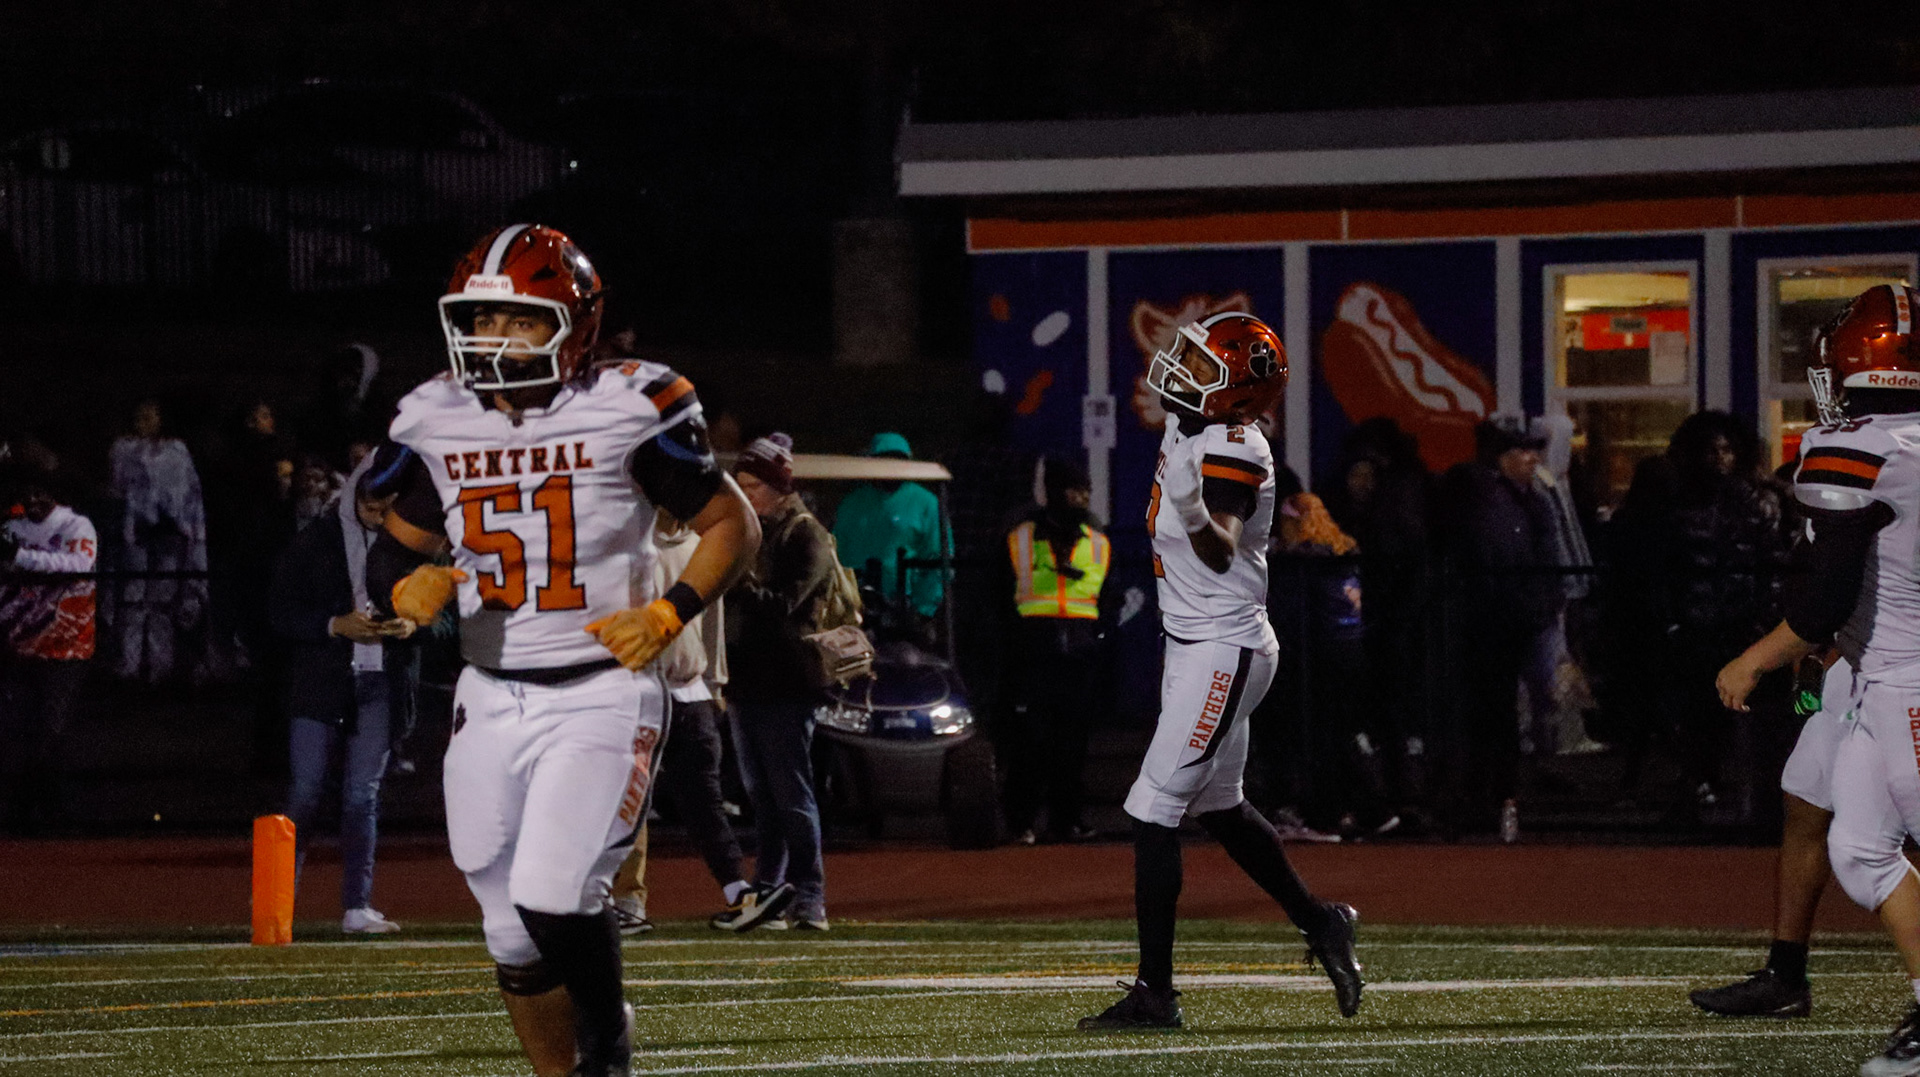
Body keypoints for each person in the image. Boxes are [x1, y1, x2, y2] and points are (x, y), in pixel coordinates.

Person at [363, 223, 760, 1077]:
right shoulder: (439, 416)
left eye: (521, 320)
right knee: (507, 927)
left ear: (573, 325)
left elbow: (734, 523)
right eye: (483, 320)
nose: (496, 340)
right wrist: (403, 587)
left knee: (553, 888)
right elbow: (392, 549)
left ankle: (606, 1049)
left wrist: (669, 611)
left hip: (601, 688)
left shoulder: (628, 405)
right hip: (487, 690)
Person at [1079, 311, 1360, 1031]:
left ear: (1239, 392)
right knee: (1218, 806)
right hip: (1196, 644)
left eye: (1204, 366)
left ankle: (1156, 993)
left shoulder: (1236, 443)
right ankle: (1322, 921)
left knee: (1152, 808)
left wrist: (1190, 509)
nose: (1184, 369)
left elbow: (1219, 549)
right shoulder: (1193, 425)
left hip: (1221, 648)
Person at [1700, 286, 1920, 1067]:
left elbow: (1825, 597)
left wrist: (1752, 658)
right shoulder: (1899, 445)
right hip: (1875, 671)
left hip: (1906, 675)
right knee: (1858, 846)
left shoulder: (1857, 448)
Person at [608, 507, 793, 936]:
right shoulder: (632, 547)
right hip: (639, 692)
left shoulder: (696, 544)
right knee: (629, 801)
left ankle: (738, 892)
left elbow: (711, 617)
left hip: (689, 694)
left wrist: (714, 683)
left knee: (702, 802)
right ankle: (624, 900)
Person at [269, 456, 417, 934]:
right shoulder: (316, 540)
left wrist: (412, 624)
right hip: (321, 682)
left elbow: (445, 612)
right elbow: (278, 613)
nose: (379, 515)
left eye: (388, 506)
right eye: (372, 506)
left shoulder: (408, 543)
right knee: (306, 790)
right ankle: (276, 900)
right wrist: (336, 625)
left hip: (379, 683)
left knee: (361, 796)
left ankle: (357, 905)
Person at [727, 433, 836, 931]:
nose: (744, 494)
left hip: (788, 683)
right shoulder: (752, 533)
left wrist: (733, 580)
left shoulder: (805, 535)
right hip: (747, 679)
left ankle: (810, 895)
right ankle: (769, 891)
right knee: (763, 795)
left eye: (752, 486)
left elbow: (786, 604)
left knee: (791, 793)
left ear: (777, 488)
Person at [1438, 416, 1564, 842]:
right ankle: (1493, 798)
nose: (1532, 458)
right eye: (1521, 451)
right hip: (1498, 622)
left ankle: (1497, 797)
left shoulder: (1527, 501)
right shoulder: (1495, 501)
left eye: (1533, 450)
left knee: (1503, 712)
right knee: (1495, 713)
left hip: (1514, 620)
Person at [1001, 456, 1110, 845]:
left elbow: (1107, 597)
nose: (1082, 498)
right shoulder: (1021, 537)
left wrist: (1097, 638)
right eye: (1074, 490)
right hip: (1033, 647)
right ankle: (1020, 822)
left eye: (1086, 491)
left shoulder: (1098, 541)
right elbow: (999, 593)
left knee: (1073, 742)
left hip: (1079, 652)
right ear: (1054, 492)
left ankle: (1067, 820)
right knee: (1030, 740)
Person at [0, 473, 97, 831]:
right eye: (27, 493)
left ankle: (54, 809)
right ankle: (23, 808)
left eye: (40, 493)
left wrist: (20, 556)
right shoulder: (12, 527)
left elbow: (78, 565)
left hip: (65, 647)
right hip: (19, 645)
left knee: (51, 729)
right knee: (17, 729)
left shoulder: (76, 526)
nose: (33, 500)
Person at [108, 399, 209, 684]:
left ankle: (160, 666)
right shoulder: (123, 449)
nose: (145, 422)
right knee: (133, 597)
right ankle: (129, 664)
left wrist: (184, 524)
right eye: (140, 416)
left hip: (171, 532)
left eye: (151, 416)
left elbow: (189, 491)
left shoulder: (176, 450)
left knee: (163, 600)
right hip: (135, 532)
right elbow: (118, 487)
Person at [832, 431, 947, 620]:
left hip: (906, 607)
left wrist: (924, 609)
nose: (891, 465)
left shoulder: (926, 503)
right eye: (884, 459)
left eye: (897, 459)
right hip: (854, 605)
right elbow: (836, 552)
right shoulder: (852, 503)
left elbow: (939, 557)